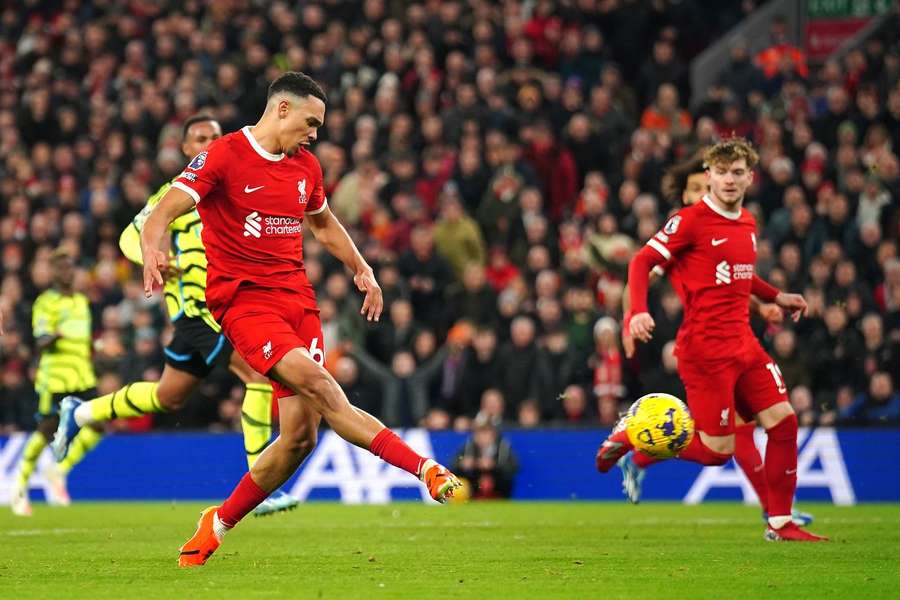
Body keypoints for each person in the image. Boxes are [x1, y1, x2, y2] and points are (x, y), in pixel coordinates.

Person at [138, 72, 461, 567]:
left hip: (298, 304)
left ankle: (217, 523)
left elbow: (323, 223)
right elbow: (164, 210)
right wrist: (150, 248)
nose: (315, 134)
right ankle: (425, 470)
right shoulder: (224, 155)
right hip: (245, 304)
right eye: (311, 122)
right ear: (282, 110)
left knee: (298, 440)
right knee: (323, 386)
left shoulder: (306, 167)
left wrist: (362, 268)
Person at [52, 116, 296, 517]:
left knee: (169, 396)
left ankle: (80, 411)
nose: (210, 143)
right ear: (185, 150)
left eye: (217, 137)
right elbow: (131, 236)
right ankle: (262, 484)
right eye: (201, 139)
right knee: (258, 375)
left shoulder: (236, 187)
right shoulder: (178, 192)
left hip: (227, 309)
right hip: (199, 313)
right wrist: (153, 257)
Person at [597, 138, 827, 542]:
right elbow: (641, 260)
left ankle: (780, 523)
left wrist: (775, 296)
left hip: (745, 344)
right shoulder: (690, 221)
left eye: (738, 172)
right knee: (717, 452)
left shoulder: (748, 222)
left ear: (750, 177)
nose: (729, 180)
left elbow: (740, 273)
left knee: (784, 422)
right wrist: (636, 312)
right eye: (721, 172)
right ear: (709, 176)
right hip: (706, 351)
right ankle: (632, 434)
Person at [10, 250, 103, 516]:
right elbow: (40, 340)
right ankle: (19, 486)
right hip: (57, 376)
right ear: (53, 272)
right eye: (61, 268)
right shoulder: (45, 303)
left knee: (97, 425)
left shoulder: (81, 303)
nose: (67, 272)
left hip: (83, 373)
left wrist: (100, 346)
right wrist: (55, 334)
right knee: (47, 429)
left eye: (69, 267)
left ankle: (58, 470)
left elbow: (83, 340)